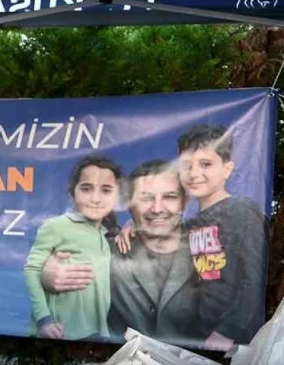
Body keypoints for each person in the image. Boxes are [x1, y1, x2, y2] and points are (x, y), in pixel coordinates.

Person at [42, 160, 205, 348]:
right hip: (120, 361)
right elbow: (56, 264)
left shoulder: (212, 249)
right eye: (145, 198)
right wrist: (46, 274)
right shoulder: (106, 248)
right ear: (128, 203)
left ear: (185, 201)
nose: (157, 208)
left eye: (169, 197)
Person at [175, 124, 269, 351]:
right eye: (186, 165)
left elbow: (253, 279)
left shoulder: (242, 211)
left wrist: (228, 332)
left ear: (227, 169)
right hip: (197, 339)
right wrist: (132, 225)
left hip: (231, 342)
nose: (194, 173)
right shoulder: (189, 226)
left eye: (205, 164)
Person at [23, 155, 122, 340]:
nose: (95, 198)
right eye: (86, 188)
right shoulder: (56, 226)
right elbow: (32, 270)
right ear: (72, 194)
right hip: (61, 334)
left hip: (96, 335)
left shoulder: (108, 234)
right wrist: (44, 320)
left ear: (117, 197)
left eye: (106, 190)